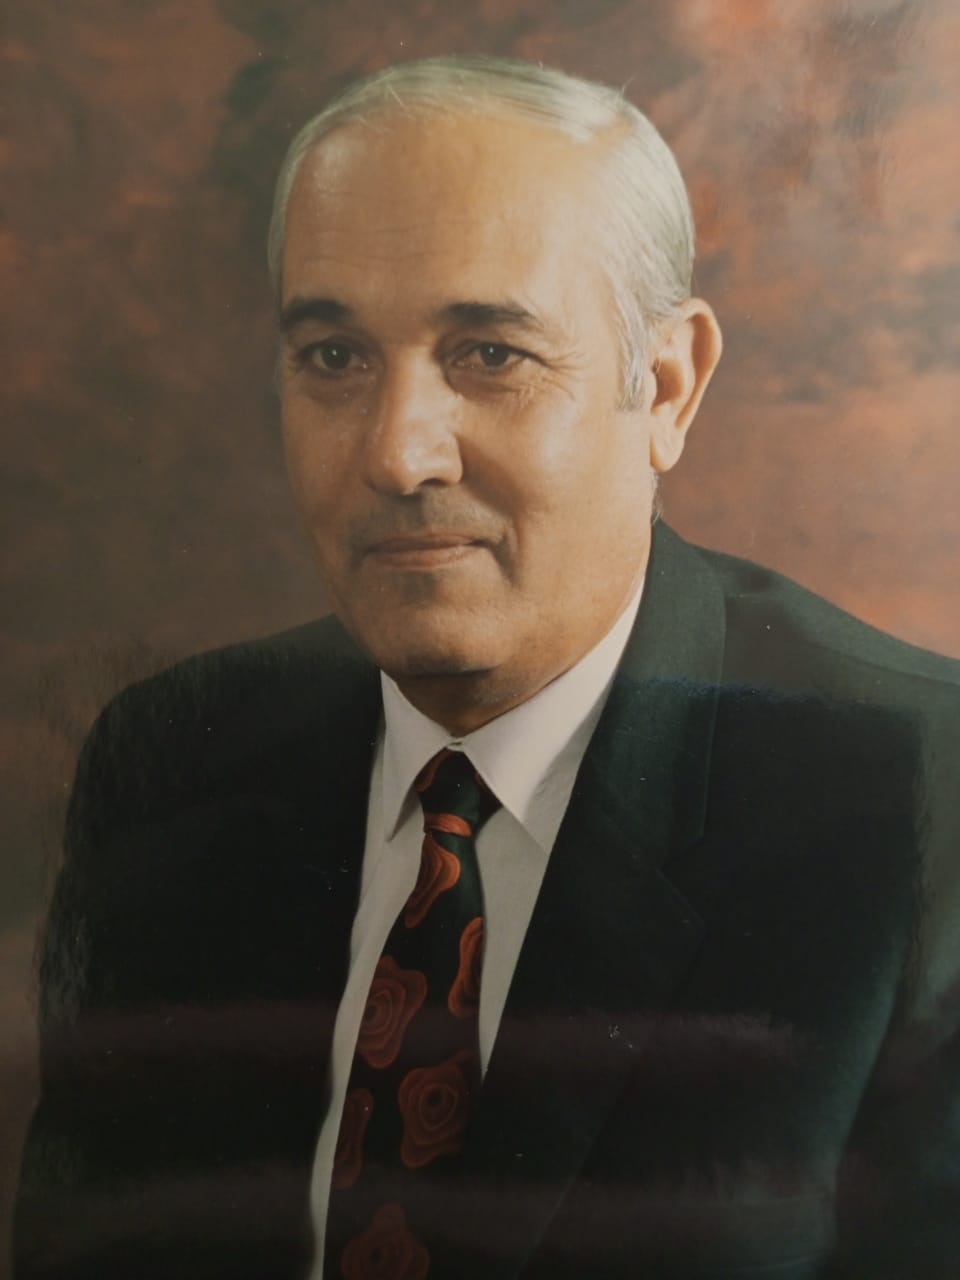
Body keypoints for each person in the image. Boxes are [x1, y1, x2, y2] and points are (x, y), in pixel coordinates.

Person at [13, 55, 960, 1280]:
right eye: (335, 356)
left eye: (492, 354)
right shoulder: (170, 760)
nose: (398, 453)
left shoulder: (924, 799)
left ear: (666, 385)